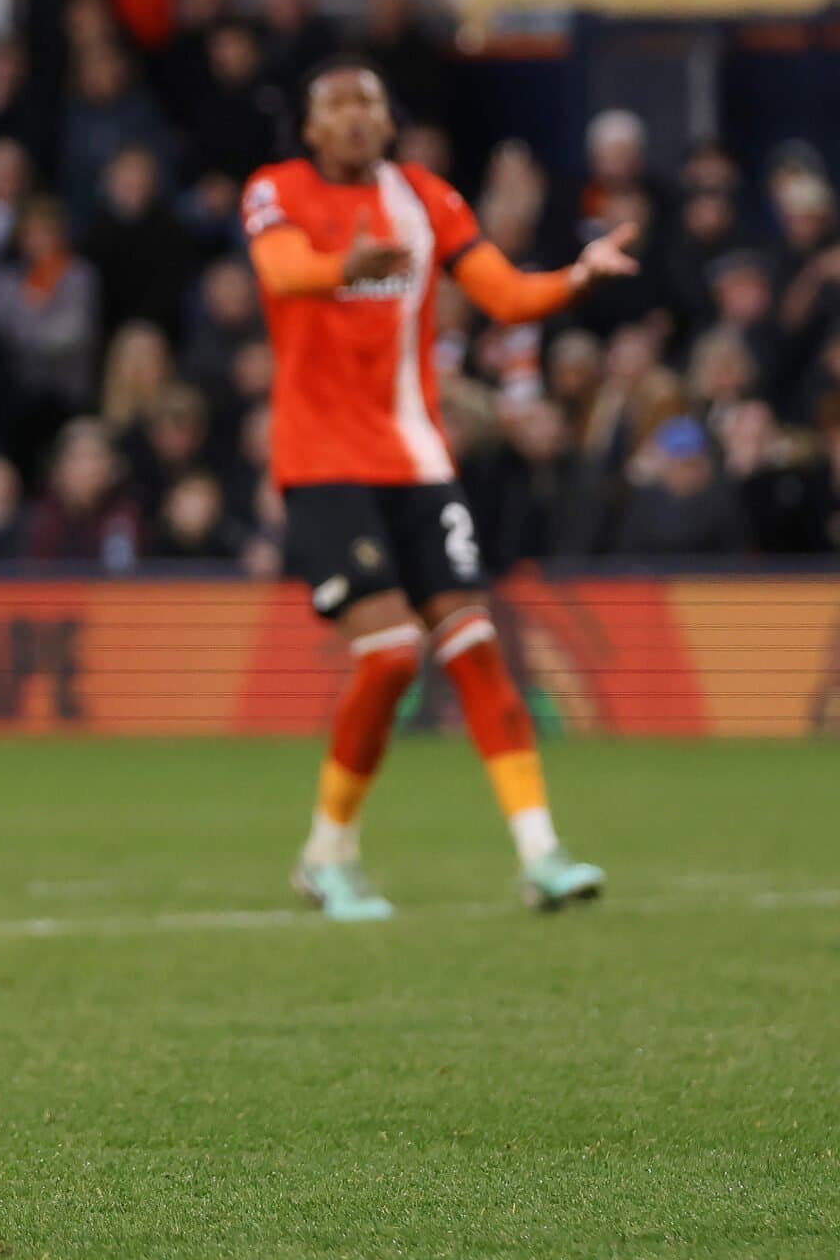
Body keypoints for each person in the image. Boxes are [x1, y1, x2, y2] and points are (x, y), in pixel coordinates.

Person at [244, 57, 639, 921]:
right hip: (322, 462)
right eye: (335, 106)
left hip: (418, 460)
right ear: (311, 129)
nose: (353, 118)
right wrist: (345, 265)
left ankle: (542, 853)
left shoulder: (425, 197)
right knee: (388, 655)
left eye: (368, 104)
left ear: (388, 124)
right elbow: (280, 274)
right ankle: (329, 855)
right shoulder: (276, 190)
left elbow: (499, 290)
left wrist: (573, 277)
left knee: (474, 645)